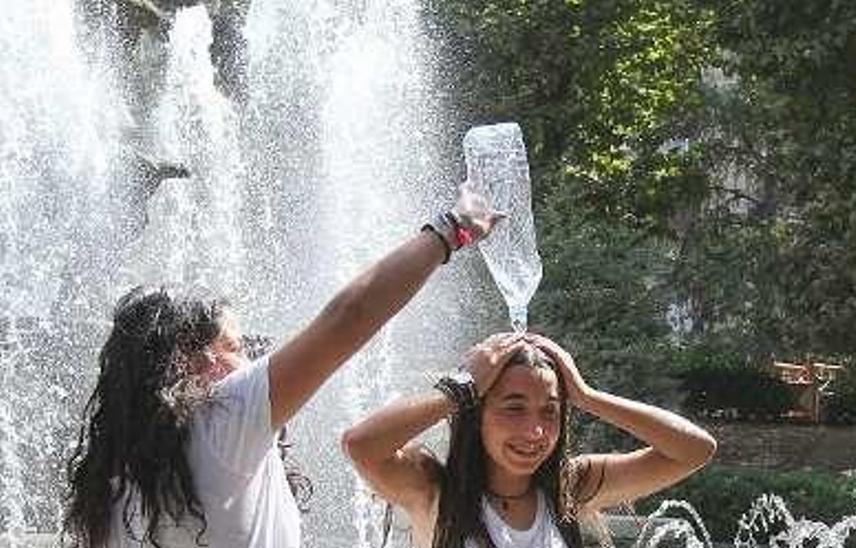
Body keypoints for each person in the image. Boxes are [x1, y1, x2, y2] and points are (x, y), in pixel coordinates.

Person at [63, 192, 504, 548]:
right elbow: (351, 316)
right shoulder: (223, 422)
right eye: (236, 346)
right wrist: (453, 229)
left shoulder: (111, 487)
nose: (251, 359)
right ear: (200, 363)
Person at [342, 332, 717, 548]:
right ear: (477, 413)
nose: (535, 432)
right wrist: (460, 390)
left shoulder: (570, 486)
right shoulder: (433, 488)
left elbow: (695, 450)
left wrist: (587, 397)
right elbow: (361, 444)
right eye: (514, 408)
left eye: (550, 410)